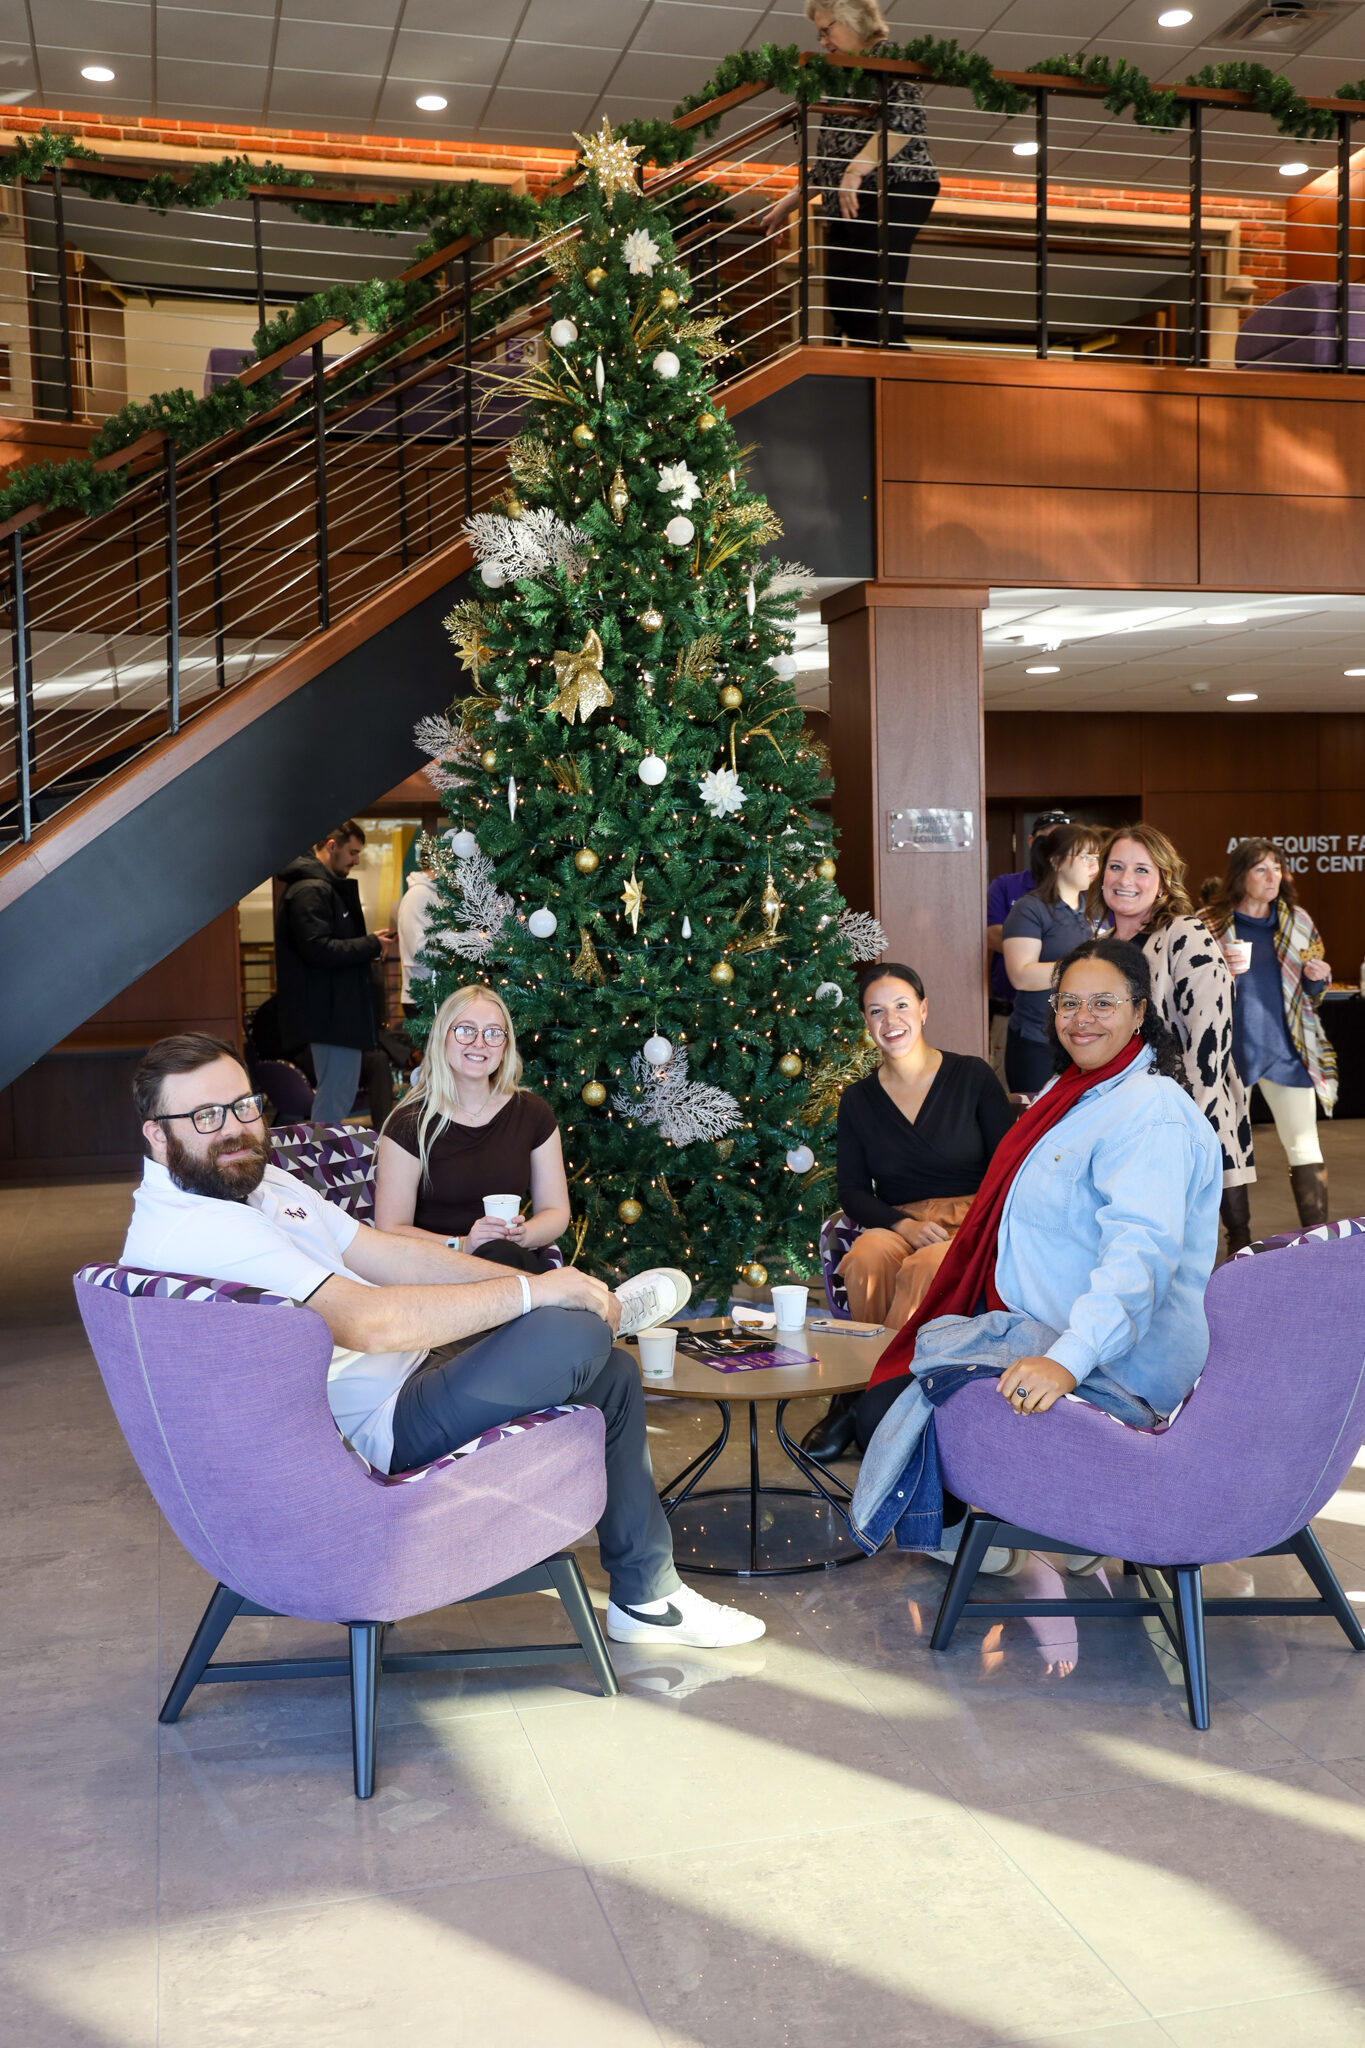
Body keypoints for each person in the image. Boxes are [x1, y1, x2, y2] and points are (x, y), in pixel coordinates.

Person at [120, 1034, 764, 1650]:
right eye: (205, 1116)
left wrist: (534, 1285)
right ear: (156, 1133)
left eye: (243, 1106)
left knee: (610, 1373)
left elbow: (389, 1255)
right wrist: (537, 1293)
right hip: (369, 1430)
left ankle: (648, 1599)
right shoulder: (202, 1230)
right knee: (572, 1333)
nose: (235, 1129)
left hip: (402, 1372)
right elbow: (372, 1322)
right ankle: (601, 1317)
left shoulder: (256, 1184)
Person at [848, 939, 1222, 1574]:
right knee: (886, 1396)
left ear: (1139, 1011)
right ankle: (1054, 1517)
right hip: (1041, 1323)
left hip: (1112, 1361)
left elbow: (1140, 1261)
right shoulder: (1074, 1092)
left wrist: (1065, 1363)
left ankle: (1067, 1515)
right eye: (1068, 1003)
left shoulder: (1150, 1112)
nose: (1082, 1018)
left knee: (889, 1407)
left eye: (1103, 1003)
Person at [800, 962, 1013, 1463]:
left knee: (927, 1267)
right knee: (866, 1256)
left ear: (923, 1009)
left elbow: (1008, 1169)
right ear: (865, 1022)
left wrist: (966, 1228)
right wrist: (904, 1225)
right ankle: (866, 1390)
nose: (890, 1020)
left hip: (973, 1218)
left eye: (901, 1006)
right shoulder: (858, 1100)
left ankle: (866, 1400)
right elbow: (853, 1191)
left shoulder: (972, 1076)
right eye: (876, 1011)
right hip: (900, 1220)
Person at [1096, 824, 1253, 1247]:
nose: (1126, 880)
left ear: (1163, 882)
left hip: (1183, 1107)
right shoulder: (1099, 945)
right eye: (1116, 867)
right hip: (1119, 1111)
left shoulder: (1184, 933)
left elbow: (1210, 1036)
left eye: (1141, 870)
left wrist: (1186, 1121)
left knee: (1202, 1239)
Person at [759, 0, 940, 347]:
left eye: (826, 31)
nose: (823, 41)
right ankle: (867, 366)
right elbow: (830, 161)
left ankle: (889, 368)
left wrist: (855, 172)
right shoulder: (844, 75)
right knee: (843, 299)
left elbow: (905, 122)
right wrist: (788, 204)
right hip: (851, 193)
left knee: (874, 300)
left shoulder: (889, 58)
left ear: (853, 20)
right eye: (819, 34)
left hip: (897, 186)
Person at [375, 985, 569, 1276]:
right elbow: (389, 1228)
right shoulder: (409, 1123)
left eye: (493, 1033)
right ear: (442, 1037)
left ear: (505, 1045)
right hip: (435, 1270)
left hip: (512, 1260)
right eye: (466, 1030)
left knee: (504, 1252)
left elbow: (556, 1211)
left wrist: (523, 1235)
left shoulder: (532, 1113)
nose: (480, 1043)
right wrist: (463, 1244)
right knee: (501, 1255)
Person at [1204, 839, 1337, 1245]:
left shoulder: (1297, 922)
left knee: (1305, 1145)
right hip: (1229, 1053)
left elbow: (1313, 993)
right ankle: (1239, 1242)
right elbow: (1189, 988)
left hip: (1286, 1050)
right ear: (1240, 875)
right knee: (1229, 1151)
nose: (1272, 876)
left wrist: (1317, 979)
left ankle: (1317, 1243)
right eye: (1261, 868)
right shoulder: (1209, 923)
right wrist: (1218, 971)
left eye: (1277, 868)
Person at [275, 822, 396, 1126]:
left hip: (332, 1013)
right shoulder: (311, 889)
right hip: (329, 1015)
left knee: (336, 1093)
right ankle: (321, 1155)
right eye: (352, 852)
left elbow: (324, 947)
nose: (356, 860)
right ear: (331, 846)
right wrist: (370, 945)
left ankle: (322, 1153)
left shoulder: (316, 888)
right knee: (335, 1095)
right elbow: (318, 950)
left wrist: (368, 945)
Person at [1001, 823, 1101, 1098]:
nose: (1093, 865)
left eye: (1096, 857)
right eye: (1084, 856)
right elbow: (1021, 975)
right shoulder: (1030, 908)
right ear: (1056, 861)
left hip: (1083, 1037)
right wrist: (1083, 964)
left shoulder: (1093, 910)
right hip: (1037, 1040)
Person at [985, 809, 1071, 1076]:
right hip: (1014, 1015)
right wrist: (1055, 944)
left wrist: (1029, 946)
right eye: (1049, 840)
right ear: (1033, 842)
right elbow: (992, 934)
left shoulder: (1084, 893)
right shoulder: (1007, 885)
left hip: (1076, 1017)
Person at [397, 861, 440, 1021]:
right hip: (423, 997)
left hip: (436, 993)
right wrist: (462, 940)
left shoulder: (436, 894)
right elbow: (419, 950)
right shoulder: (418, 895)